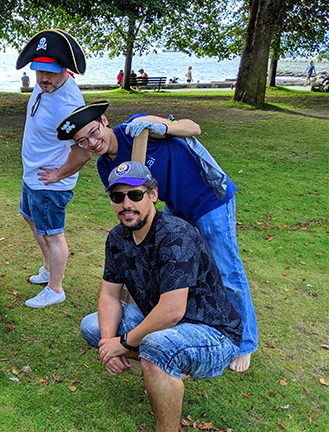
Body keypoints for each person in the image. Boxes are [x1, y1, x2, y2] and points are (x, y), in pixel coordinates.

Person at [44, 101, 258, 372]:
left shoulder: (136, 128)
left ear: (105, 121)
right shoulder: (103, 167)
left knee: (227, 271)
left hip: (208, 199)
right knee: (180, 270)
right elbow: (130, 203)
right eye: (83, 141)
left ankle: (245, 343)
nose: (92, 142)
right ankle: (180, 329)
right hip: (174, 207)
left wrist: (163, 126)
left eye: (94, 132)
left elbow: (193, 128)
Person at [80, 161, 243, 432]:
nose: (126, 204)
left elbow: (172, 311)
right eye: (117, 197)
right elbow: (109, 294)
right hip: (165, 324)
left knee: (157, 345)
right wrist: (109, 343)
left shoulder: (176, 236)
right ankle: (160, 368)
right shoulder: (117, 238)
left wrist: (122, 343)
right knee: (93, 327)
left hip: (214, 333)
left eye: (135, 194)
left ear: (153, 195)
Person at [14, 29, 86, 308]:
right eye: (38, 71)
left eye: (50, 72)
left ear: (65, 71)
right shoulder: (45, 85)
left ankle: (56, 288)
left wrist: (57, 175)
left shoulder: (69, 105)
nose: (43, 78)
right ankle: (48, 269)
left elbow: (82, 152)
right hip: (32, 174)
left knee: (52, 233)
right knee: (30, 219)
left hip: (49, 182)